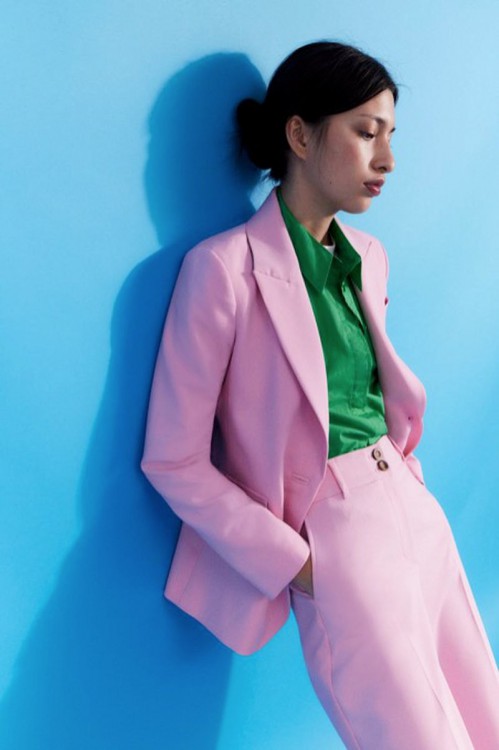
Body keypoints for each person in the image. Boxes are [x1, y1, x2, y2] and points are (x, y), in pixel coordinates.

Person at [141, 41, 499, 749]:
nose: (386, 160)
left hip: (415, 513)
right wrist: (297, 562)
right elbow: (172, 460)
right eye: (366, 133)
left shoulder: (368, 257)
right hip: (336, 537)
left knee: (486, 720)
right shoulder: (221, 271)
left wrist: (408, 486)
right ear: (300, 136)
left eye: (390, 136)